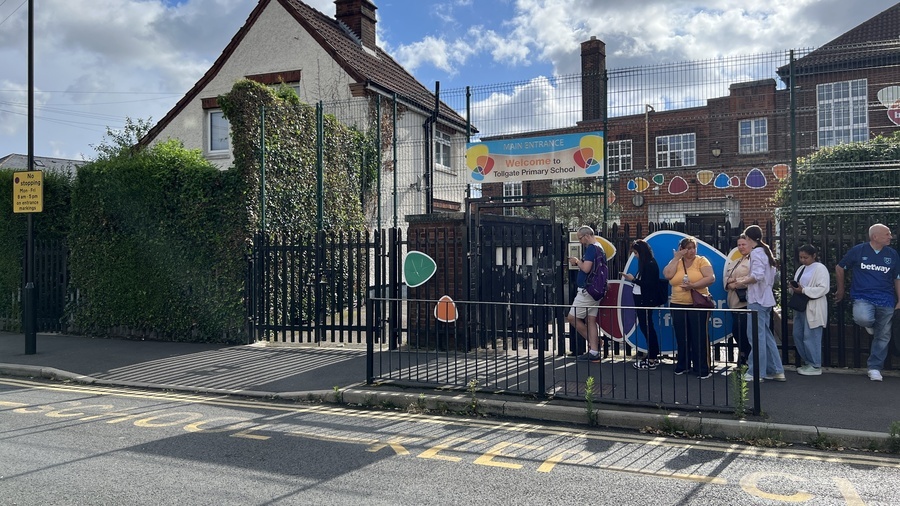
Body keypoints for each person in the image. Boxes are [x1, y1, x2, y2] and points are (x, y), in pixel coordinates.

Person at [835, 223, 900, 382]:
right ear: (875, 236)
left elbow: (897, 277)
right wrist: (841, 289)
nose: (890, 236)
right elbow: (840, 267)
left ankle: (874, 368)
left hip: (886, 299)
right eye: (887, 234)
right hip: (863, 296)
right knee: (862, 318)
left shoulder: (892, 254)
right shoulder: (859, 250)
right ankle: (870, 325)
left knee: (883, 335)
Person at [662, 236, 716, 379]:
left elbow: (710, 278)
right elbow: (667, 275)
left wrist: (693, 286)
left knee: (699, 336)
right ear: (682, 249)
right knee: (682, 336)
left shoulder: (701, 260)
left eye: (694, 248)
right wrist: (676, 258)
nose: (692, 251)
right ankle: (683, 365)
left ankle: (702, 368)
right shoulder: (677, 262)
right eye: (688, 248)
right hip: (678, 303)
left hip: (698, 304)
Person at [737, 225, 785, 383]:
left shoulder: (756, 253)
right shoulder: (765, 252)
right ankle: (776, 370)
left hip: (757, 299)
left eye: (746, 240)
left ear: (749, 240)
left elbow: (756, 276)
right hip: (766, 299)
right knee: (766, 335)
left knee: (755, 336)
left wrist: (744, 280)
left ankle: (756, 372)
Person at [789, 244, 830, 376]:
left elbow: (824, 288)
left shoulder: (820, 268)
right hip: (802, 305)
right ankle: (808, 361)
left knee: (811, 335)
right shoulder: (801, 268)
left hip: (813, 305)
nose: (803, 260)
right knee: (798, 334)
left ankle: (815, 364)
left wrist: (804, 290)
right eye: (801, 257)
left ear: (814, 256)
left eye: (805, 257)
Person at [624, 239, 664, 370]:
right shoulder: (646, 264)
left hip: (645, 301)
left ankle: (652, 358)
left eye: (636, 252)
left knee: (647, 327)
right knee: (646, 327)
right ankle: (652, 355)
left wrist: (633, 279)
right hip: (641, 300)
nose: (635, 255)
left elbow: (649, 285)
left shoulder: (650, 264)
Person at [567, 226, 603, 362]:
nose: (581, 242)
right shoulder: (600, 247)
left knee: (572, 318)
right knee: (591, 320)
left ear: (587, 235)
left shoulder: (592, 249)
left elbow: (586, 268)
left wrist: (576, 261)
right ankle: (594, 351)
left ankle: (595, 344)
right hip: (597, 291)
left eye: (580, 238)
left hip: (587, 291)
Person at [724, 236, 752, 366]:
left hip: (746, 302)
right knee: (737, 332)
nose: (741, 247)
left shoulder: (753, 261)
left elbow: (753, 279)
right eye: (739, 245)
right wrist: (730, 283)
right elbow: (725, 278)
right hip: (733, 302)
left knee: (743, 331)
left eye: (744, 244)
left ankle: (746, 357)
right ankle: (743, 356)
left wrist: (736, 283)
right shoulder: (735, 261)